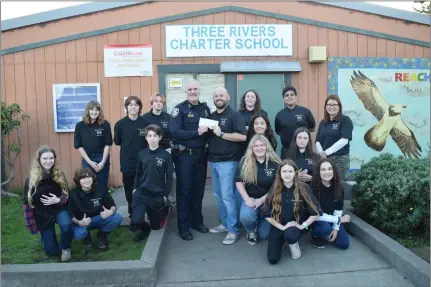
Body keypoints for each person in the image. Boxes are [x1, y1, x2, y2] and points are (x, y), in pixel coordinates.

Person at [169, 79, 211, 241]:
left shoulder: (204, 109)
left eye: (195, 89)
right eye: (190, 90)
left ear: (199, 91)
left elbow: (208, 131)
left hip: (201, 156)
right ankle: (184, 227)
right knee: (185, 192)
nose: (193, 92)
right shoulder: (179, 110)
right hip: (185, 157)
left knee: (198, 191)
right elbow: (175, 131)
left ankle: (196, 222)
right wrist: (196, 133)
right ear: (186, 92)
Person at [263, 159, 322, 265]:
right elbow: (266, 213)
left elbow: (316, 212)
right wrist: (282, 227)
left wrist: (302, 226)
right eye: (284, 171)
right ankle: (282, 240)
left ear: (295, 172)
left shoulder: (304, 187)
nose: (287, 174)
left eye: (290, 171)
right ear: (280, 173)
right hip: (279, 225)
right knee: (273, 259)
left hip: (296, 226)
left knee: (290, 235)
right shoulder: (275, 188)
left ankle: (292, 243)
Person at [207, 87, 247, 245]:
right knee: (218, 196)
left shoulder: (234, 115)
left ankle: (233, 230)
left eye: (221, 95)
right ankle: (225, 224)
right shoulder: (211, 116)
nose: (218, 98)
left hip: (228, 162)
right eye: (216, 95)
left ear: (228, 97)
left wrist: (222, 134)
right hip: (214, 162)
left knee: (228, 197)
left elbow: (242, 136)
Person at [23, 145, 73, 262]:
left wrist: (58, 200)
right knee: (52, 252)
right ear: (39, 160)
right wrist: (30, 222)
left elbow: (67, 195)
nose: (48, 161)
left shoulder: (59, 175)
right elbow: (27, 202)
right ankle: (46, 239)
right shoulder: (30, 179)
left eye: (51, 158)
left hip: (59, 208)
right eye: (45, 158)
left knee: (66, 226)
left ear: (54, 159)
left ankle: (66, 248)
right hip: (42, 213)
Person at [130, 124, 174, 242]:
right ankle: (145, 229)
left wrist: (165, 195)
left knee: (157, 227)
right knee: (136, 221)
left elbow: (169, 178)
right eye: (149, 136)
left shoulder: (166, 155)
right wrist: (135, 189)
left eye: (155, 136)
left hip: (157, 195)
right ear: (146, 138)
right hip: (142, 193)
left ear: (160, 137)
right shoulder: (142, 154)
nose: (152, 138)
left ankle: (163, 210)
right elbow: (138, 173)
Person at [235, 134, 280, 245]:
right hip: (252, 199)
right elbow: (238, 181)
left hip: (269, 200)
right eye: (256, 146)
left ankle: (261, 219)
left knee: (264, 235)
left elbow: (278, 185)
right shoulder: (245, 162)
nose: (259, 148)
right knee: (246, 217)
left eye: (262, 145)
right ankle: (250, 231)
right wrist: (246, 199)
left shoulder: (276, 163)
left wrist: (261, 200)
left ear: (267, 146)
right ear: (252, 148)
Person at [69, 167, 122, 250]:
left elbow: (113, 205)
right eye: (83, 178)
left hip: (99, 218)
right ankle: (86, 237)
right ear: (78, 180)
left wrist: (110, 212)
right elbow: (71, 215)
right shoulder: (73, 194)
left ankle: (102, 234)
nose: (86, 180)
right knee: (79, 234)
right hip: (83, 222)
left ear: (92, 178)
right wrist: (79, 222)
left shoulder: (101, 189)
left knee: (117, 218)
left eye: (88, 177)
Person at [114, 96, 148, 219]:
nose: (133, 107)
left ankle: (141, 212)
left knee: (142, 189)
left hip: (143, 163)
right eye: (130, 104)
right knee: (129, 191)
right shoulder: (120, 124)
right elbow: (117, 143)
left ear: (139, 107)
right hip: (127, 163)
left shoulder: (145, 123)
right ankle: (132, 211)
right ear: (126, 107)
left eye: (136, 104)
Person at [310, 160, 351, 249]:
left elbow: (338, 209)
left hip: (332, 219)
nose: (327, 172)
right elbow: (315, 215)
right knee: (324, 229)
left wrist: (336, 228)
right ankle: (315, 235)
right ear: (318, 172)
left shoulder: (339, 187)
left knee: (344, 244)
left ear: (334, 171)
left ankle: (328, 232)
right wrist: (339, 219)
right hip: (316, 220)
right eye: (323, 170)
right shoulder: (312, 188)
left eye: (329, 169)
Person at [74, 101, 113, 193]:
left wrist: (103, 162)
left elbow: (108, 144)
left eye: (97, 110)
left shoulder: (105, 124)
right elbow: (79, 146)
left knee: (102, 186)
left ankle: (104, 206)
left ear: (100, 112)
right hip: (87, 159)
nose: (94, 112)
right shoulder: (80, 126)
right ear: (88, 110)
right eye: (92, 109)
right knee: (87, 186)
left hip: (102, 158)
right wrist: (90, 162)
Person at [315, 95, 353, 183]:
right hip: (324, 159)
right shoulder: (323, 122)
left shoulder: (345, 120)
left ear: (339, 106)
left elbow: (344, 140)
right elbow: (317, 141)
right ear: (325, 107)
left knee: (337, 185)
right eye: (329, 105)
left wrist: (326, 152)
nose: (332, 107)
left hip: (340, 160)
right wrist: (321, 153)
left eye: (335, 105)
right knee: (324, 184)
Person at [275, 86, 316, 160]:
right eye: (286, 95)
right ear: (284, 99)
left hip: (304, 150)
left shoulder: (305, 112)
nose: (289, 97)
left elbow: (312, 128)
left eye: (292, 94)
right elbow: (278, 132)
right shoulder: (279, 115)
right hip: (286, 151)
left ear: (296, 97)